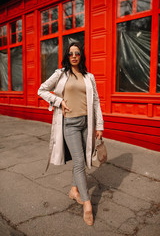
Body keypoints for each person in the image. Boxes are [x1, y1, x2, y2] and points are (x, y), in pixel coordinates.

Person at [38, 42, 104, 226]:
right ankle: (87, 204)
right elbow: (41, 90)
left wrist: (99, 125)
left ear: (81, 55)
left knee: (81, 160)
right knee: (79, 163)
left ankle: (74, 190)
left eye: (77, 53)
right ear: (67, 56)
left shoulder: (89, 77)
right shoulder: (60, 74)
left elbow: (96, 102)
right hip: (70, 124)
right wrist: (58, 101)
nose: (74, 56)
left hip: (86, 123)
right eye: (70, 53)